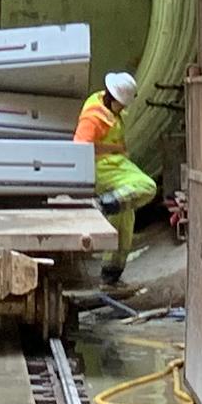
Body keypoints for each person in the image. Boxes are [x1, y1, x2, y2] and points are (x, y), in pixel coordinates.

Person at [75, 69, 156, 272]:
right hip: (102, 167)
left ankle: (111, 276)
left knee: (124, 219)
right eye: (122, 104)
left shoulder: (106, 105)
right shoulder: (93, 117)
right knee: (147, 186)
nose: (123, 109)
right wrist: (115, 149)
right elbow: (80, 148)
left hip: (115, 164)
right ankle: (103, 205)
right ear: (114, 99)